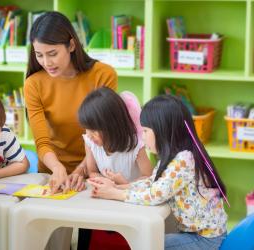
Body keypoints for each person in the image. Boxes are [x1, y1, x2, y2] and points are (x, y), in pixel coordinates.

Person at [88, 95, 228, 250]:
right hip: (194, 234)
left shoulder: (184, 160)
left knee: (148, 244)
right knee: (147, 240)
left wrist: (114, 194)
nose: (143, 136)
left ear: (163, 131)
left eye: (146, 131)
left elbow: (156, 194)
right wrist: (118, 187)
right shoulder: (172, 157)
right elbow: (152, 182)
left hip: (205, 240)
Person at [24, 11, 118, 194]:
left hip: (96, 170)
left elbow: (104, 134)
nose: (46, 62)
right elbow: (42, 142)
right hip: (52, 172)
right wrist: (58, 169)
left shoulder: (103, 75)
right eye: (39, 55)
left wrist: (82, 169)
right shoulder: (33, 84)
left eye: (52, 53)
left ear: (71, 45)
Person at [78, 87, 152, 184]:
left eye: (94, 130)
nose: (89, 135)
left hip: (130, 195)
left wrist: (124, 184)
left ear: (112, 126)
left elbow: (148, 176)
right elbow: (92, 171)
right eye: (87, 128)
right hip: (108, 195)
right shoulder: (90, 142)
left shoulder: (135, 146)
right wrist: (107, 181)